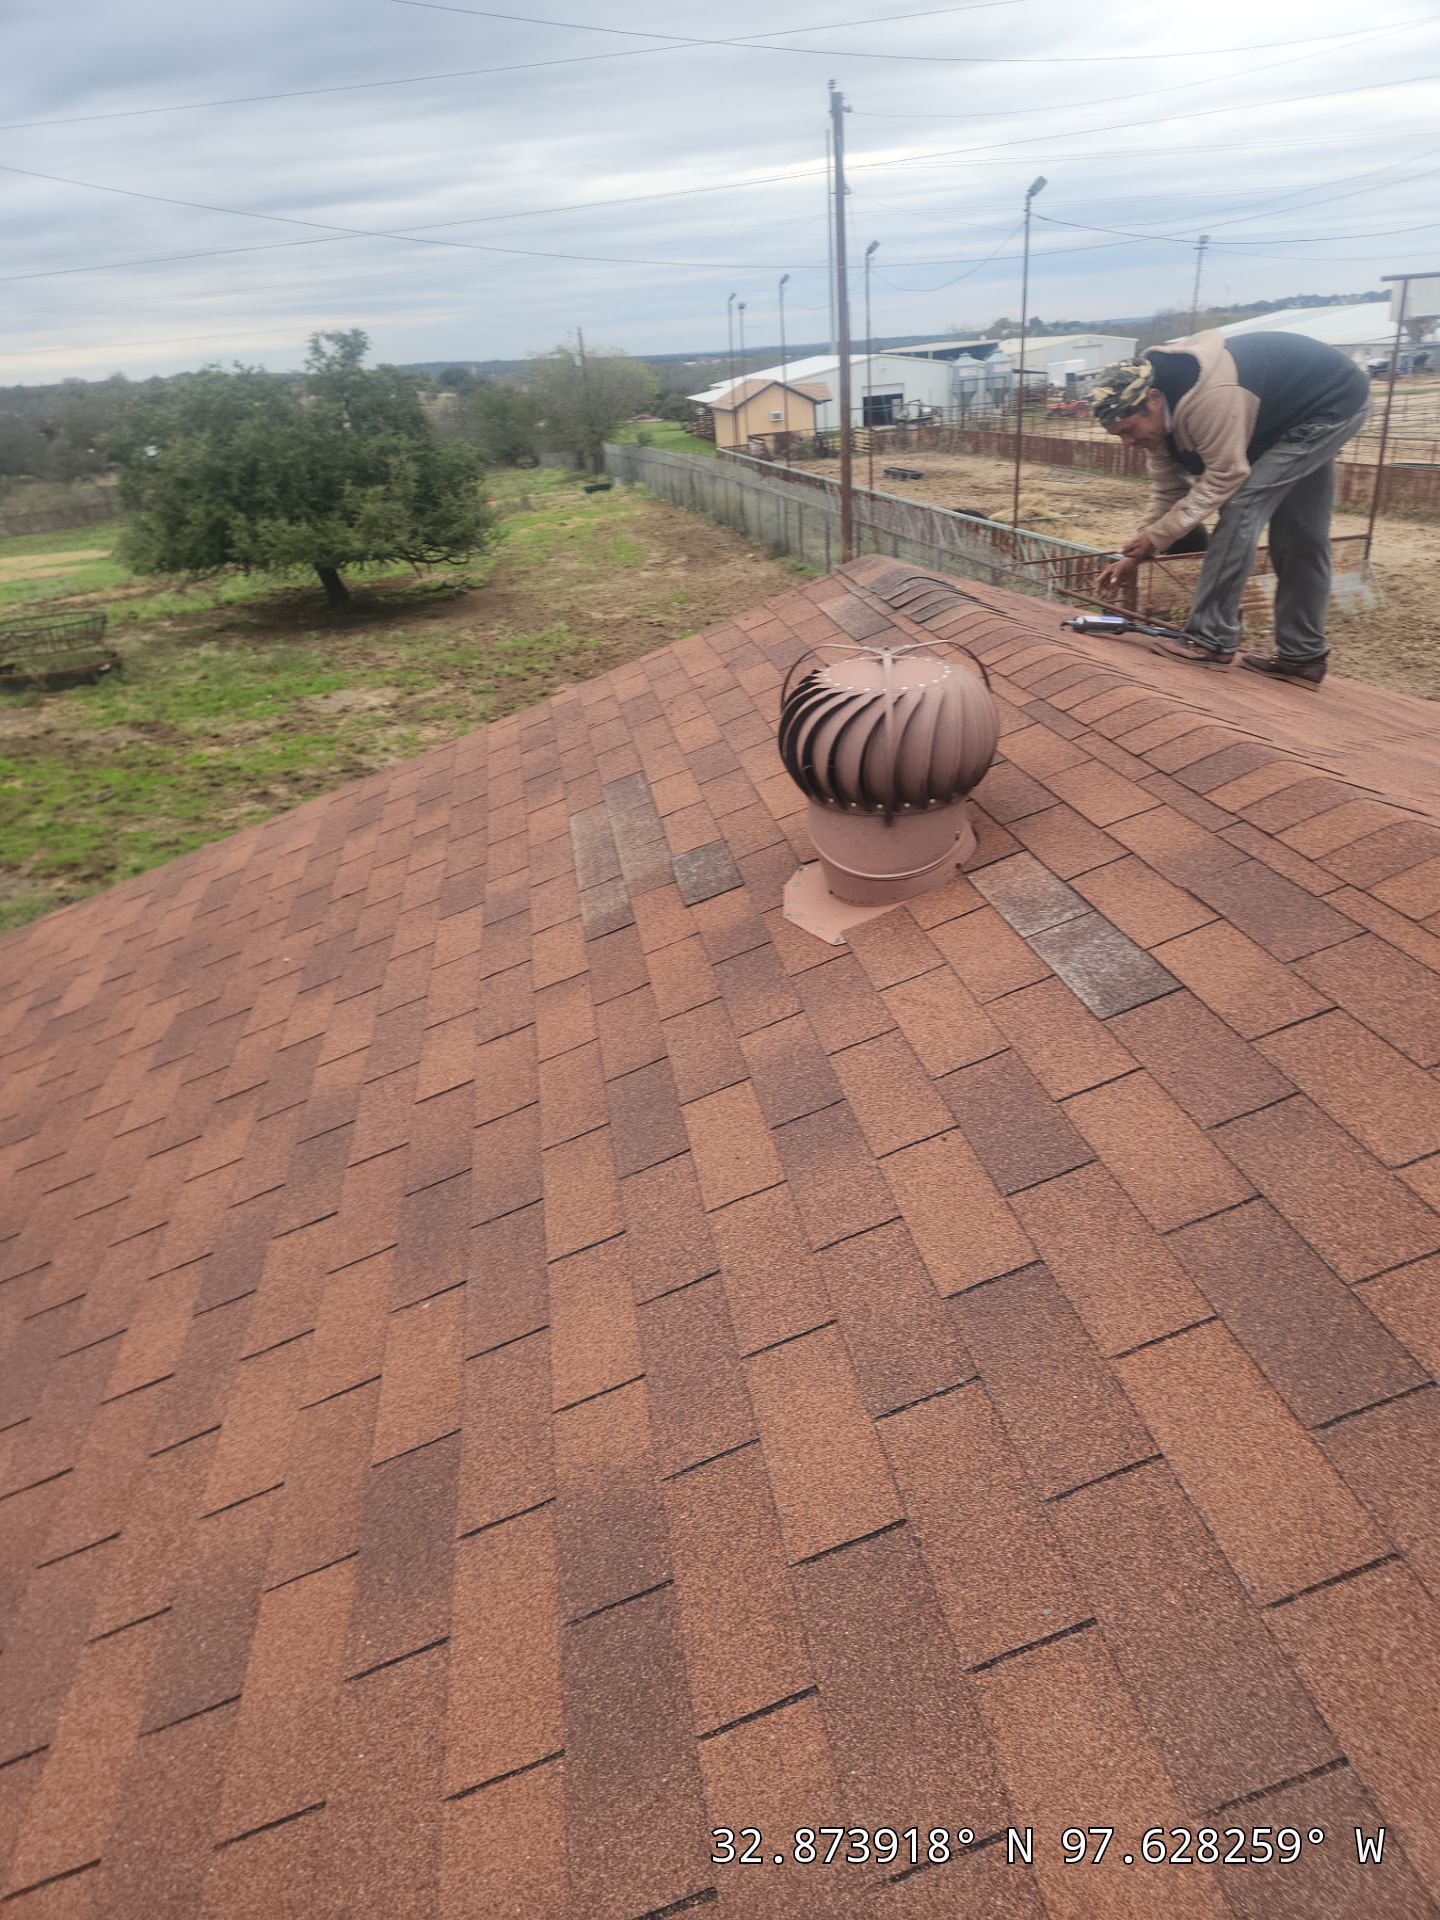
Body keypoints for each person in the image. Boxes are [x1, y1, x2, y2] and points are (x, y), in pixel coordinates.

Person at [1091, 330, 1370, 685]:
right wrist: (1137, 553)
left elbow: (1226, 477)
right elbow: (1168, 491)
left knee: (1241, 508)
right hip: (1280, 417)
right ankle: (1303, 657)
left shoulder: (1210, 398)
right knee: (1301, 535)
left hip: (1331, 402)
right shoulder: (1158, 426)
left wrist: (1156, 537)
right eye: (1119, 435)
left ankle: (1210, 638)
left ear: (1154, 399)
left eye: (1129, 430)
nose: (1128, 442)